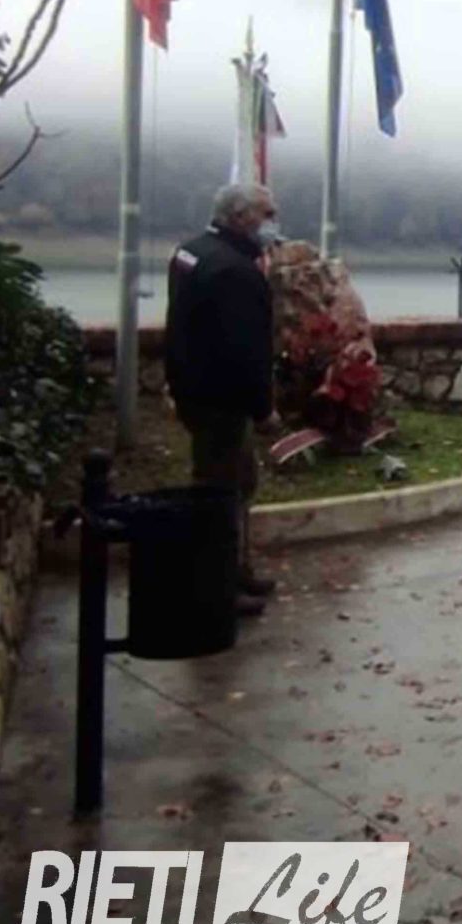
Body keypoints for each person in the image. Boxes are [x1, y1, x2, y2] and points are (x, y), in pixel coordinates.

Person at [164, 182, 281, 616]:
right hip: (222, 400)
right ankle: (217, 587)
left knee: (238, 482)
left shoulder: (191, 252)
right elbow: (245, 351)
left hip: (195, 390)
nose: (272, 224)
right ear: (241, 217)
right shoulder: (235, 272)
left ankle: (236, 570)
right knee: (221, 492)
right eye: (267, 214)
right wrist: (264, 409)